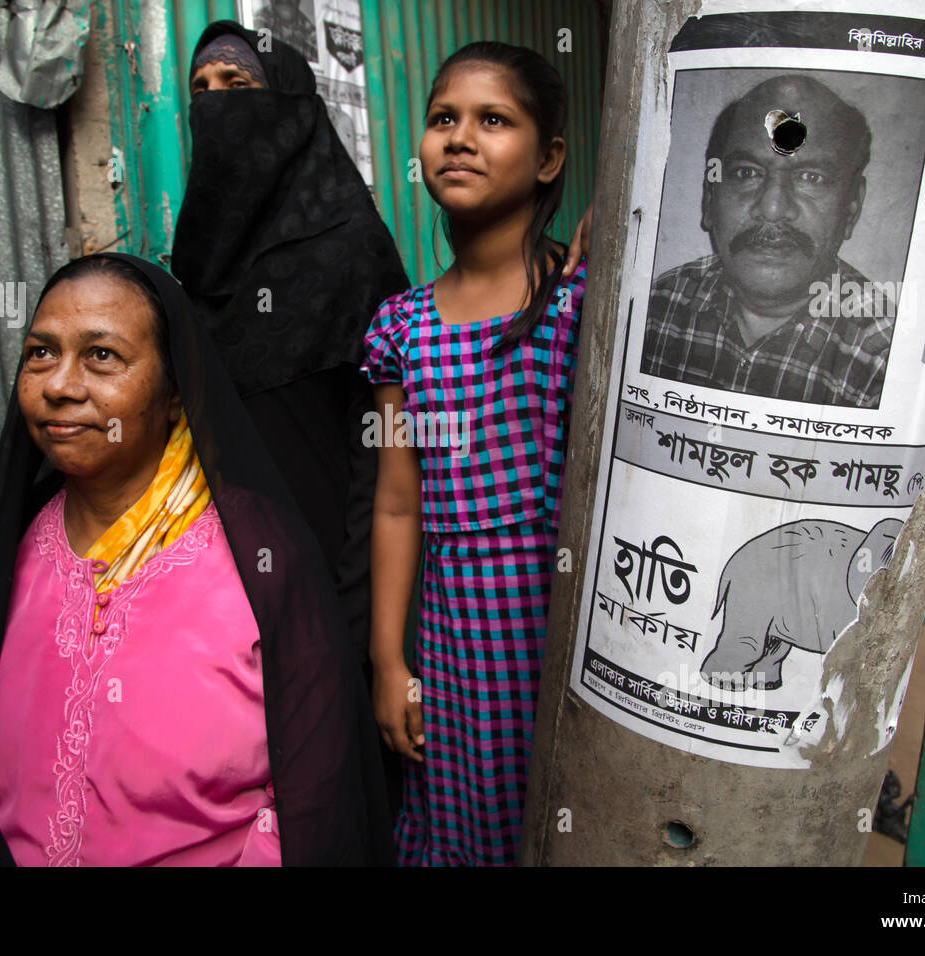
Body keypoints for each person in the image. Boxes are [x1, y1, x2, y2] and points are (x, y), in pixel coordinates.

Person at [0, 253, 394, 866]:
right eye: (41, 352)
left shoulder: (262, 568)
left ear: (176, 390)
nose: (59, 384)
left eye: (102, 356)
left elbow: (312, 808)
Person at [361, 41, 586, 866]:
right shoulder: (401, 329)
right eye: (442, 119)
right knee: (470, 825)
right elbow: (395, 500)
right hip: (458, 637)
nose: (460, 137)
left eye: (494, 120)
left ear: (548, 157)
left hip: (565, 620)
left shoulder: (583, 302)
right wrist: (390, 661)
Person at [171, 21, 410, 666]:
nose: (215, 103)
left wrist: (357, 616)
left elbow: (383, 452)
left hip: (335, 573)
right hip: (222, 591)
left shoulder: (350, 249)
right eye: (201, 89)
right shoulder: (194, 263)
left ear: (291, 108)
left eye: (237, 84)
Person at [641, 74, 893, 409]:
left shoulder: (884, 357)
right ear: (709, 197)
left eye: (810, 178)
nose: (773, 208)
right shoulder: (658, 308)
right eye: (747, 172)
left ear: (851, 208)